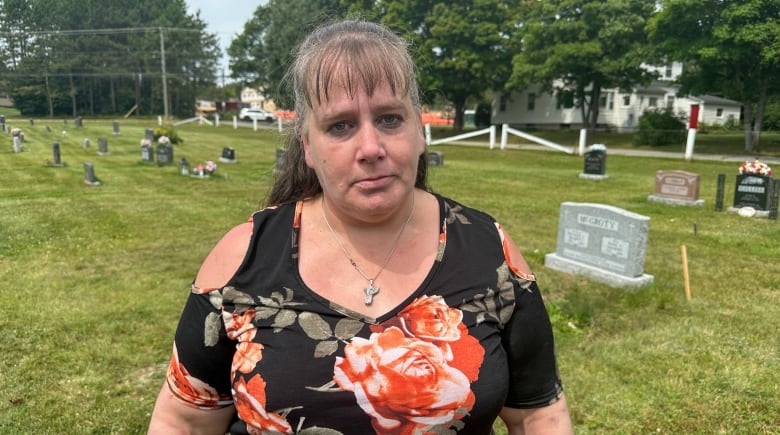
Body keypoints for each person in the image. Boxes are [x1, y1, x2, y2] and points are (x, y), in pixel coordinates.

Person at [149, 19, 573, 435]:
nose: (370, 148)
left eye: (390, 119)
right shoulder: (242, 259)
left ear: (419, 132)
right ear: (308, 147)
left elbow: (538, 416)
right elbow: (183, 421)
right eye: (341, 126)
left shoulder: (488, 252)